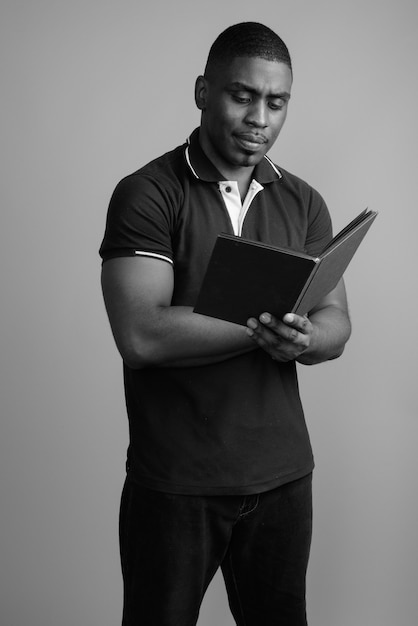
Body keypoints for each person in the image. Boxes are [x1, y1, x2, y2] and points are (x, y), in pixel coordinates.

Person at [99, 21, 351, 626]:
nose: (259, 116)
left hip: (284, 476)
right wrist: (269, 326)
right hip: (176, 481)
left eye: (276, 101)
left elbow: (336, 322)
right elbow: (141, 334)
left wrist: (309, 338)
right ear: (202, 91)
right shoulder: (148, 194)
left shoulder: (305, 202)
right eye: (242, 95)